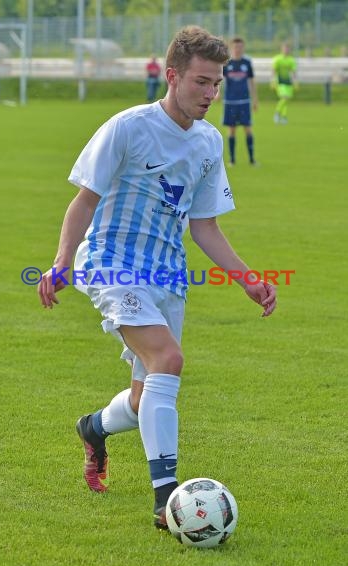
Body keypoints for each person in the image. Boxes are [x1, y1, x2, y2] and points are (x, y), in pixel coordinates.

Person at [38, 26, 277, 531]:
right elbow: (85, 199)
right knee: (168, 358)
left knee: (148, 394)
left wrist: (248, 279)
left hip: (167, 272)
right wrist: (62, 262)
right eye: (202, 82)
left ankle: (93, 427)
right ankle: (166, 501)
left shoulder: (209, 143)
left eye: (217, 83)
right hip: (110, 262)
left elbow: (204, 226)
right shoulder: (128, 127)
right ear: (172, 76)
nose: (212, 94)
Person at [222, 37, 257, 166]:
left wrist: (255, 99)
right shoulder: (227, 63)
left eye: (240, 47)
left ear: (243, 48)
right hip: (230, 102)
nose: (238, 49)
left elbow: (252, 82)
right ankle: (232, 160)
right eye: (236, 47)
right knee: (231, 130)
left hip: (244, 101)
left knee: (248, 129)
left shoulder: (247, 63)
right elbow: (220, 79)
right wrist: (218, 92)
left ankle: (252, 159)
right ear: (232, 48)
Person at [272, 43, 297, 124]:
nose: (286, 50)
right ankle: (277, 112)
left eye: (287, 49)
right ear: (281, 49)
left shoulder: (291, 60)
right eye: (285, 48)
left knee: (286, 100)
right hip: (280, 82)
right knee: (284, 98)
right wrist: (272, 81)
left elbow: (293, 72)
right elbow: (274, 70)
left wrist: (295, 82)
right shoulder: (278, 59)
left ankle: (283, 117)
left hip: (288, 82)